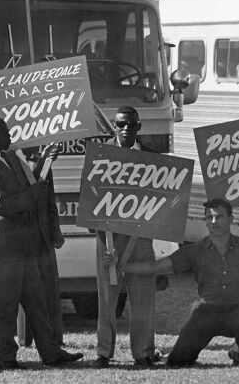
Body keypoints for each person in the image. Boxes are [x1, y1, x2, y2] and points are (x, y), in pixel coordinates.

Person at [120, 198, 239, 367]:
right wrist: (122, 266)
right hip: (205, 315)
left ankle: (238, 350)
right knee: (177, 361)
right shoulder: (195, 251)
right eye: (209, 217)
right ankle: (177, 353)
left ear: (231, 219)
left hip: (237, 313)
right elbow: (156, 267)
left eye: (219, 217)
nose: (213, 221)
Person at [0, 115, 83, 369]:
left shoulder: (10, 156)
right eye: (4, 132)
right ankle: (5, 358)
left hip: (25, 244)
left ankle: (51, 353)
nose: (10, 136)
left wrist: (44, 162)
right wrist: (30, 195)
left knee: (37, 301)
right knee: (6, 304)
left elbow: (30, 183)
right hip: (5, 248)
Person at [90, 106, 160, 368]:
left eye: (131, 124)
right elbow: (90, 196)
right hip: (108, 238)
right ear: (114, 127)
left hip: (141, 238)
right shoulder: (100, 156)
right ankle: (103, 352)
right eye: (121, 124)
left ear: (139, 127)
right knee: (106, 298)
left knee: (143, 295)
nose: (126, 128)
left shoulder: (153, 158)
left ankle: (143, 352)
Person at [20, 144, 65, 347]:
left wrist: (55, 231)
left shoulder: (44, 160)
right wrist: (42, 162)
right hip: (21, 235)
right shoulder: (11, 160)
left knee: (50, 288)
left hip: (44, 234)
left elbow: (49, 200)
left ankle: (55, 337)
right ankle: (26, 338)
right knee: (26, 289)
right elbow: (27, 190)